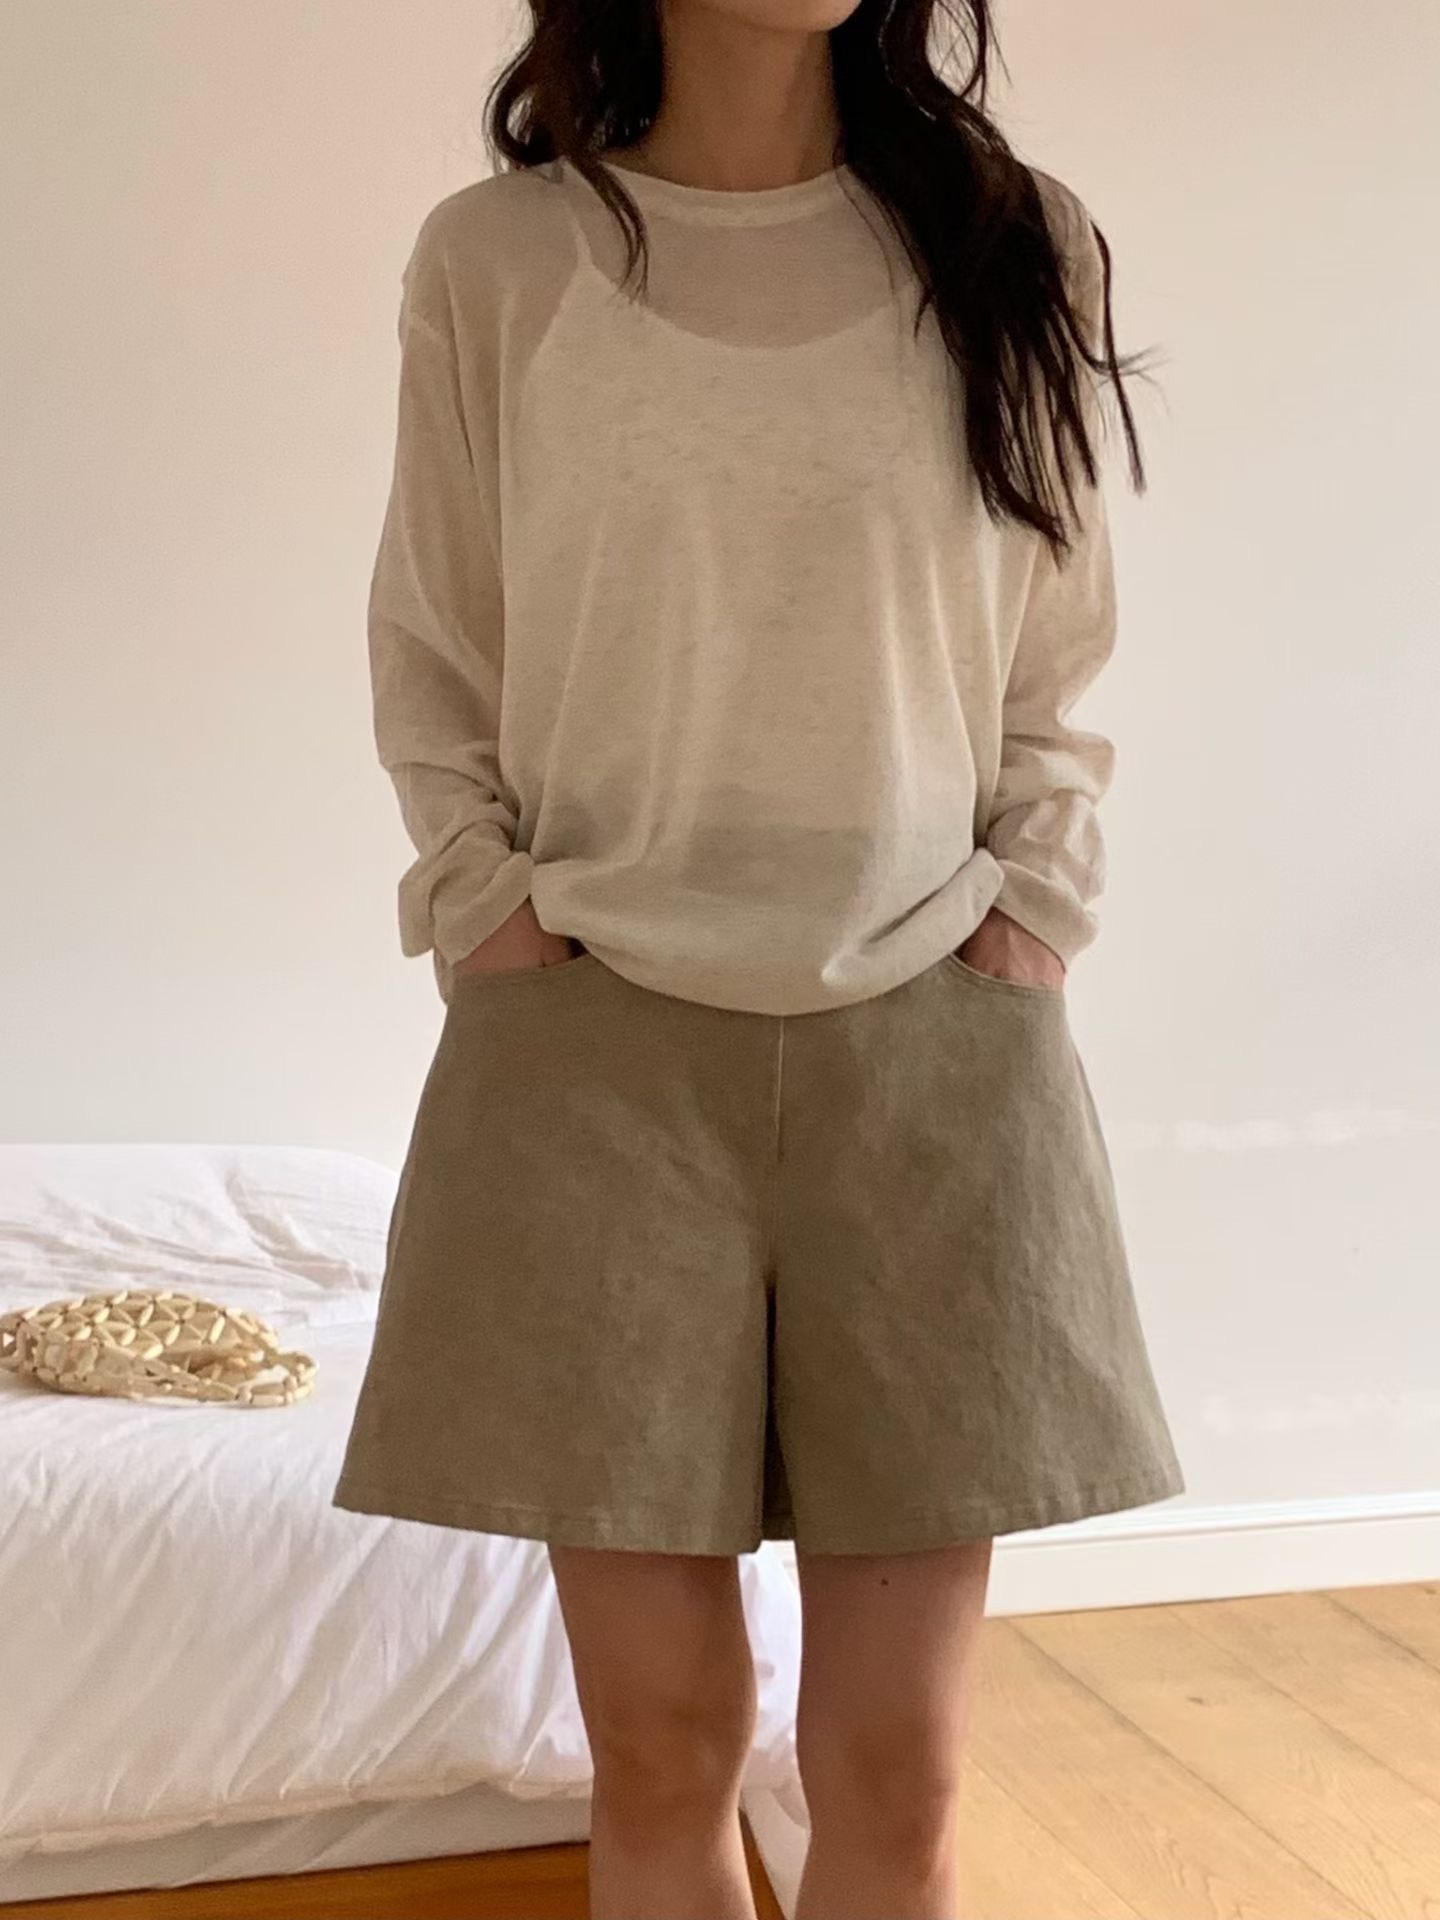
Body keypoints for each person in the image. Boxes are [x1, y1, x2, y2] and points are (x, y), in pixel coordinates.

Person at [332, 3, 1186, 1915]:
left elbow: (1056, 655)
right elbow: (434, 643)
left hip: (938, 1042)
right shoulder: (502, 260)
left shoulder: (1014, 241)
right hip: (590, 1055)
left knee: (896, 1765)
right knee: (660, 1748)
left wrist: (1035, 908)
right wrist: (480, 904)